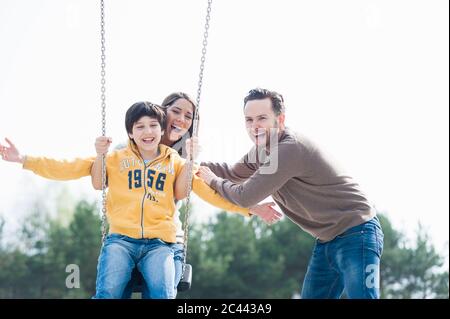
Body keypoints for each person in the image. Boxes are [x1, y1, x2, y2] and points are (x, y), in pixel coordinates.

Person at [0, 101, 280, 299]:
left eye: (153, 126)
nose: (147, 132)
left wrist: (250, 209)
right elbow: (67, 166)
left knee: (162, 292)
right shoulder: (114, 159)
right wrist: (23, 159)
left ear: (161, 129)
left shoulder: (177, 162)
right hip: (121, 239)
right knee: (108, 291)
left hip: (161, 243)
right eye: (140, 127)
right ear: (131, 132)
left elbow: (211, 191)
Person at [197, 88, 384, 299]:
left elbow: (245, 196)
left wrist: (212, 180)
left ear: (280, 119)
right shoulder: (262, 151)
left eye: (262, 118)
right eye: (249, 120)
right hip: (326, 240)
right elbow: (232, 173)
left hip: (358, 231)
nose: (254, 126)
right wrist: (188, 165)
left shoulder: (288, 149)